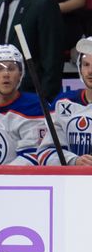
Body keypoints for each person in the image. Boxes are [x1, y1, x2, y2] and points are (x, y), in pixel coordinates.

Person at [48, 37, 92, 166]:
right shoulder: (63, 102)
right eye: (86, 64)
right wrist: (74, 160)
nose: (90, 71)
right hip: (69, 184)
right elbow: (46, 151)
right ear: (79, 67)